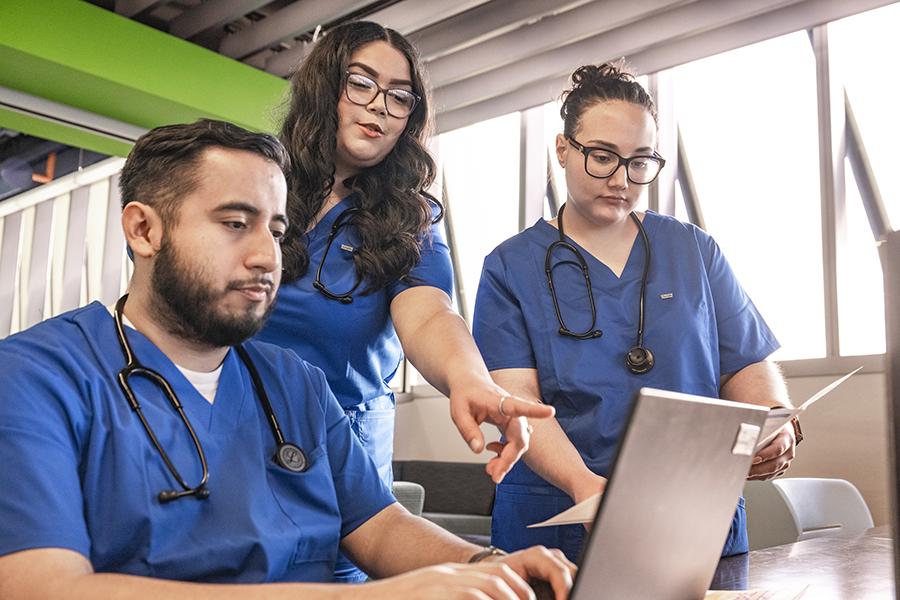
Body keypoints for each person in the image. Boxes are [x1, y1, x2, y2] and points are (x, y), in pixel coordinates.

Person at [0, 120, 575, 600]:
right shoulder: (38, 376)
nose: (265, 256)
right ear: (144, 229)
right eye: (234, 224)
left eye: (276, 230)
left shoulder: (292, 382)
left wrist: (487, 566)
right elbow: (43, 587)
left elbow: (378, 526)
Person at [255, 20, 554, 581]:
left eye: (400, 96)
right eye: (361, 83)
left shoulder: (408, 218)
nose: (381, 106)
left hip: (341, 464)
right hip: (235, 440)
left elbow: (428, 312)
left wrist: (470, 380)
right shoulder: (257, 183)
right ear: (324, 87)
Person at [472, 64, 799, 562]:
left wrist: (774, 424)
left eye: (640, 161)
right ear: (563, 150)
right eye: (603, 157)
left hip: (695, 514)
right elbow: (516, 401)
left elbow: (747, 364)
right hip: (561, 518)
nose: (622, 180)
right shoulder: (509, 267)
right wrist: (588, 488)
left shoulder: (692, 249)